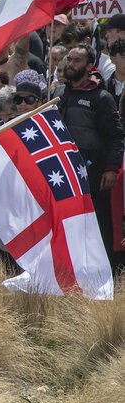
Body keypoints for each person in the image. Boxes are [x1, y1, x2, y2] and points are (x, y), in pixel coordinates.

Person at [53, 44, 125, 264]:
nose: (70, 64)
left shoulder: (101, 97)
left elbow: (115, 136)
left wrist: (111, 169)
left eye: (76, 60)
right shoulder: (58, 93)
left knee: (98, 223)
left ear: (89, 66)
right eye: (69, 59)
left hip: (92, 173)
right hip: (62, 173)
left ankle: (104, 271)